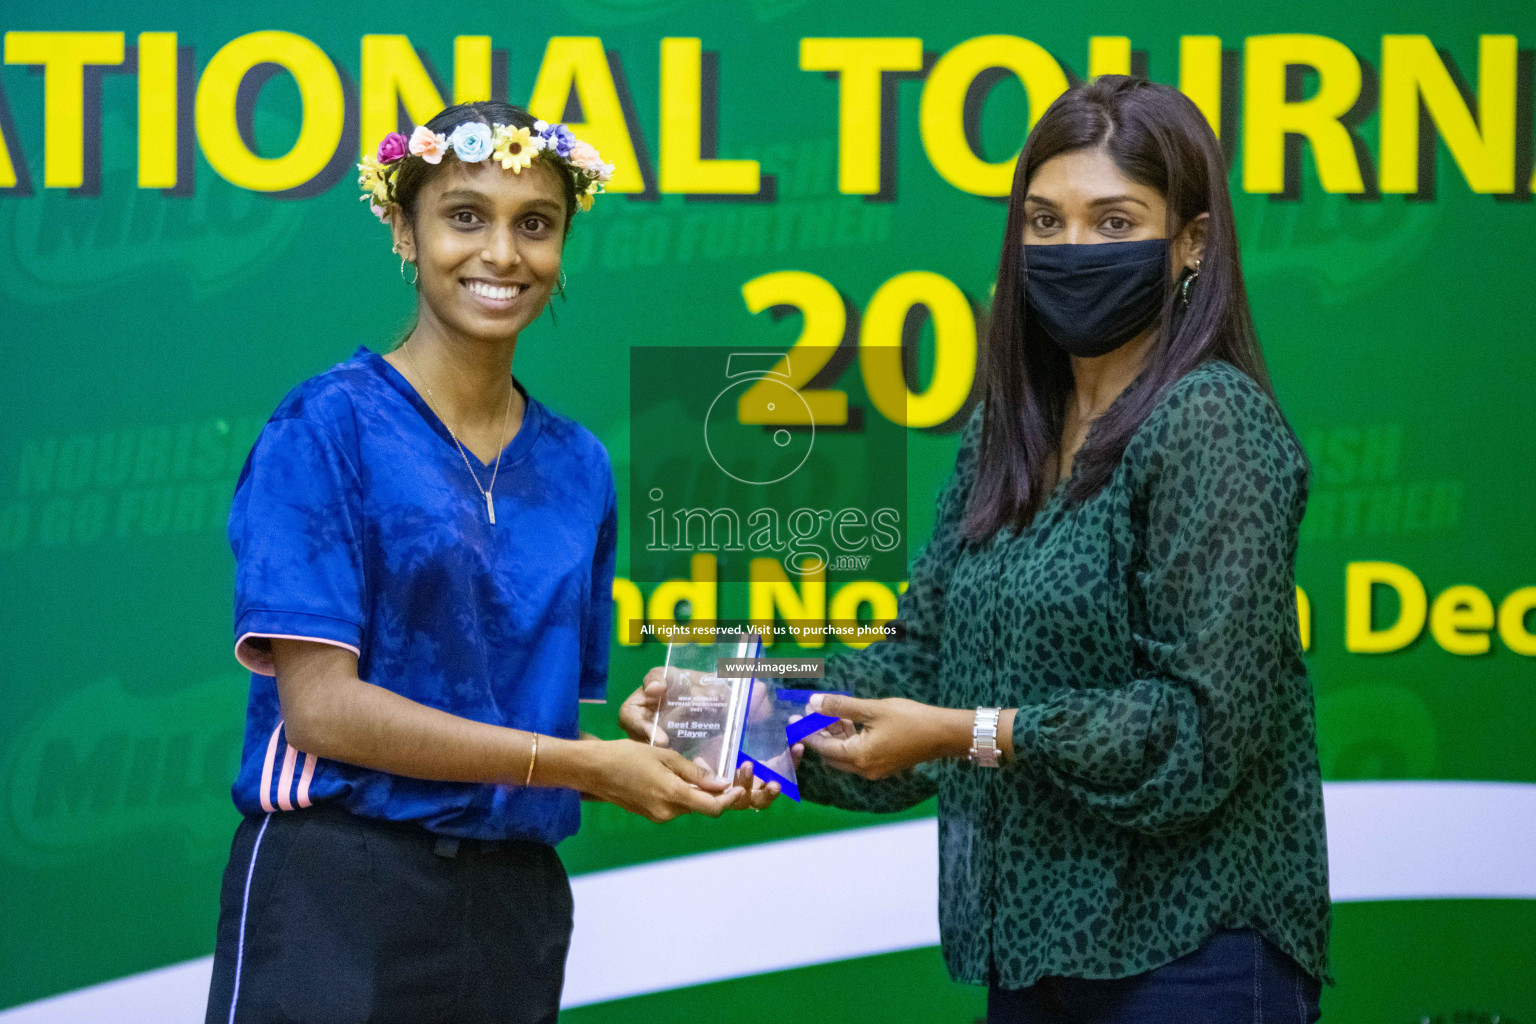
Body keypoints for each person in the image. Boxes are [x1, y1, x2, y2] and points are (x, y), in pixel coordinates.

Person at [622, 75, 1330, 1022]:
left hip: (1189, 955)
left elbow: (1195, 735)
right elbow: (918, 669)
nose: (1072, 250)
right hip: (1034, 961)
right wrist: (729, 710)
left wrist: (972, 733)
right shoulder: (1011, 428)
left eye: (1114, 223)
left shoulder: (1210, 421)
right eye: (1045, 221)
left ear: (1192, 241)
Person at [205, 101, 776, 1024]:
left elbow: (531, 714)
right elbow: (322, 711)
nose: (502, 255)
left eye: (535, 225)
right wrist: (584, 767)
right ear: (403, 228)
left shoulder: (580, 464)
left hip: (516, 908)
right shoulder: (325, 427)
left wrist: (658, 734)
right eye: (465, 216)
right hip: (338, 893)